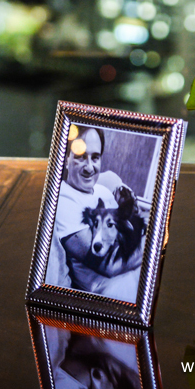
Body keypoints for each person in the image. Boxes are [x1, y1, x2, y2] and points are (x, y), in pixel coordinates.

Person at [50, 126, 147, 294]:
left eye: (95, 158)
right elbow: (110, 264)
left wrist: (132, 212)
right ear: (65, 159)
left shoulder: (102, 191)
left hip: (135, 270)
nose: (89, 167)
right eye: (81, 157)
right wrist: (153, 241)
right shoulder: (63, 200)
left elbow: (126, 234)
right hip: (112, 288)